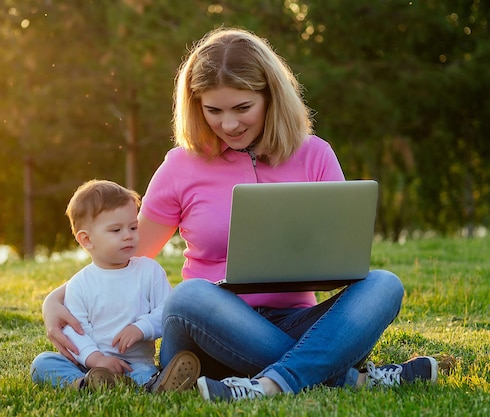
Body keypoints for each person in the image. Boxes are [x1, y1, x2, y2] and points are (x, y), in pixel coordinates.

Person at [41, 27, 438, 401]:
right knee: (191, 294)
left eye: (243, 107)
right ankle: (345, 376)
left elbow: (342, 263)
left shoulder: (315, 155)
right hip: (206, 330)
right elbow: (130, 251)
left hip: (294, 321)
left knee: (384, 284)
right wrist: (55, 298)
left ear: (271, 96)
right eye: (213, 110)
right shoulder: (180, 165)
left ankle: (272, 383)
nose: (228, 124)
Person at [30, 179, 200, 392]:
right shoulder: (79, 285)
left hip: (135, 366)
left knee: (145, 373)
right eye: (116, 230)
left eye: (133, 227)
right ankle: (84, 384)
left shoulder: (149, 271)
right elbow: (76, 331)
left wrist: (141, 327)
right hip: (90, 365)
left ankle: (153, 384)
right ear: (86, 240)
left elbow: (167, 311)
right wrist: (97, 359)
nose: (128, 235)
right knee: (43, 363)